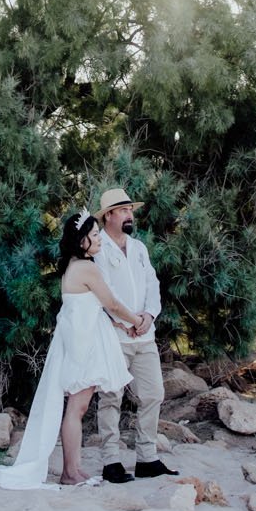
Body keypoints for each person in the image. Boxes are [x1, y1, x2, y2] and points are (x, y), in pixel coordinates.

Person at [0, 211, 143, 490]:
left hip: (81, 336)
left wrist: (122, 326)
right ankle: (70, 471)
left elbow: (97, 306)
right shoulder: (86, 268)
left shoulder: (77, 264)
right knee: (77, 407)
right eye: (95, 235)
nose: (99, 239)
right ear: (82, 239)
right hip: (84, 342)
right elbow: (111, 303)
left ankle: (72, 469)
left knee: (79, 405)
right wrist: (136, 321)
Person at [91, 185, 177, 482]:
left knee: (153, 393)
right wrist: (129, 319)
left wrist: (149, 316)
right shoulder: (99, 248)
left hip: (144, 334)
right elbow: (106, 293)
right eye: (125, 210)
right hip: (116, 334)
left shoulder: (139, 248)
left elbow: (153, 285)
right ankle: (111, 461)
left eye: (130, 210)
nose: (130, 215)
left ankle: (147, 457)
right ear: (110, 215)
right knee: (111, 397)